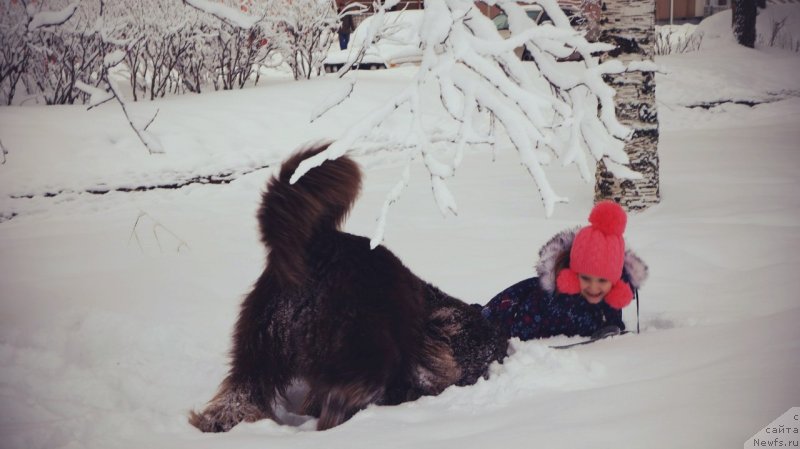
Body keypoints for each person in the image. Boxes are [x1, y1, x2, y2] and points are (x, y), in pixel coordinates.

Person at [481, 201, 648, 341]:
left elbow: (610, 321)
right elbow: (522, 329)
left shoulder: (611, 299)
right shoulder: (553, 301)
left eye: (602, 280)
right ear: (573, 275)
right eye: (586, 278)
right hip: (509, 314)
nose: (593, 287)